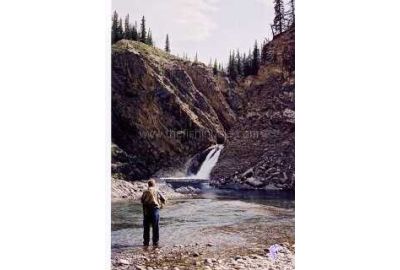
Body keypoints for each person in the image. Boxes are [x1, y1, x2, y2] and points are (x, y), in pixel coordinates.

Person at [140, 178, 166, 247]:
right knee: (155, 227)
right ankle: (155, 243)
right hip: (155, 210)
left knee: (146, 228)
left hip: (146, 211)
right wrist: (161, 206)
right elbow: (163, 199)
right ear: (154, 184)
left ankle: (146, 243)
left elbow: (142, 201)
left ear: (148, 184)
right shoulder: (157, 191)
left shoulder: (145, 191)